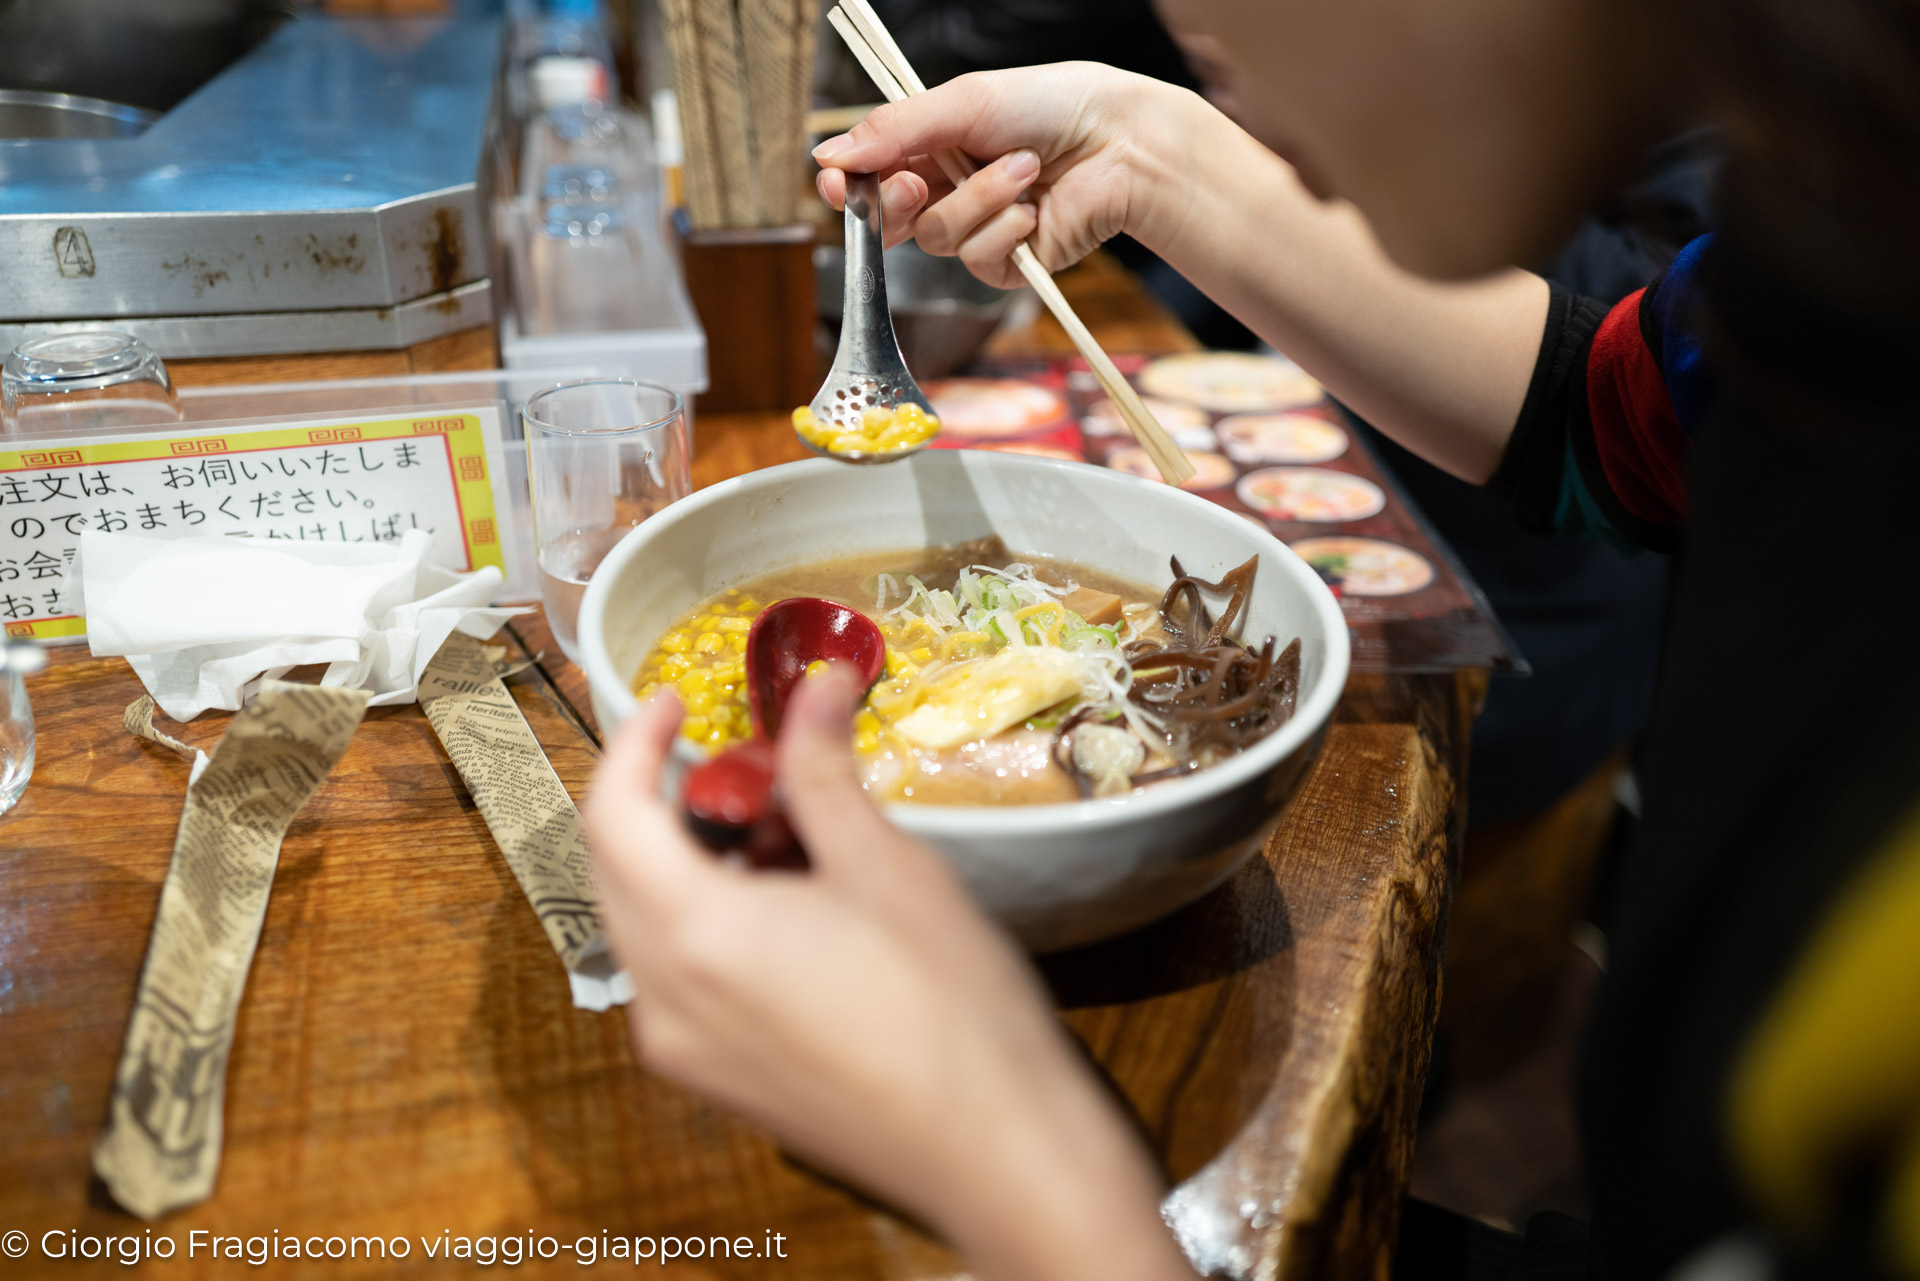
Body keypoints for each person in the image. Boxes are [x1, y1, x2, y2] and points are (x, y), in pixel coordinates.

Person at [586, 1, 1920, 1276]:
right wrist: (1147, 151)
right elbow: (1610, 408)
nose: (1190, 21)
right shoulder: (1835, 271)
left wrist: (1008, 1151)